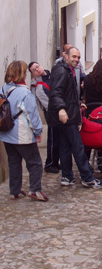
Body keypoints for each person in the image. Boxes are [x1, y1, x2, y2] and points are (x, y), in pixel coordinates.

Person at [47, 47, 102, 189]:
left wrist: (78, 104)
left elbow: (68, 94)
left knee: (65, 147)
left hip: (68, 114)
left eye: (78, 58)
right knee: (78, 147)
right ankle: (87, 178)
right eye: (74, 56)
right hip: (66, 117)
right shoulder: (62, 70)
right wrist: (61, 109)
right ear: (65, 56)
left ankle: (67, 176)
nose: (76, 60)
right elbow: (56, 92)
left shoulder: (67, 69)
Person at [0, 61, 48, 201]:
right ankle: (35, 190)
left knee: (14, 161)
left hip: (6, 133)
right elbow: (32, 115)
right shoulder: (25, 93)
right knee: (35, 163)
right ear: (22, 74)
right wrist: (38, 132)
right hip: (22, 134)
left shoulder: (3, 89)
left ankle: (14, 190)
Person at [28, 62, 60, 174]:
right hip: (52, 113)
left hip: (58, 111)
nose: (37, 69)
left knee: (58, 139)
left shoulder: (51, 75)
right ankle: (50, 163)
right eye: (34, 70)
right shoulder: (39, 86)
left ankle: (55, 162)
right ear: (33, 74)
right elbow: (48, 104)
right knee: (53, 139)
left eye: (37, 66)